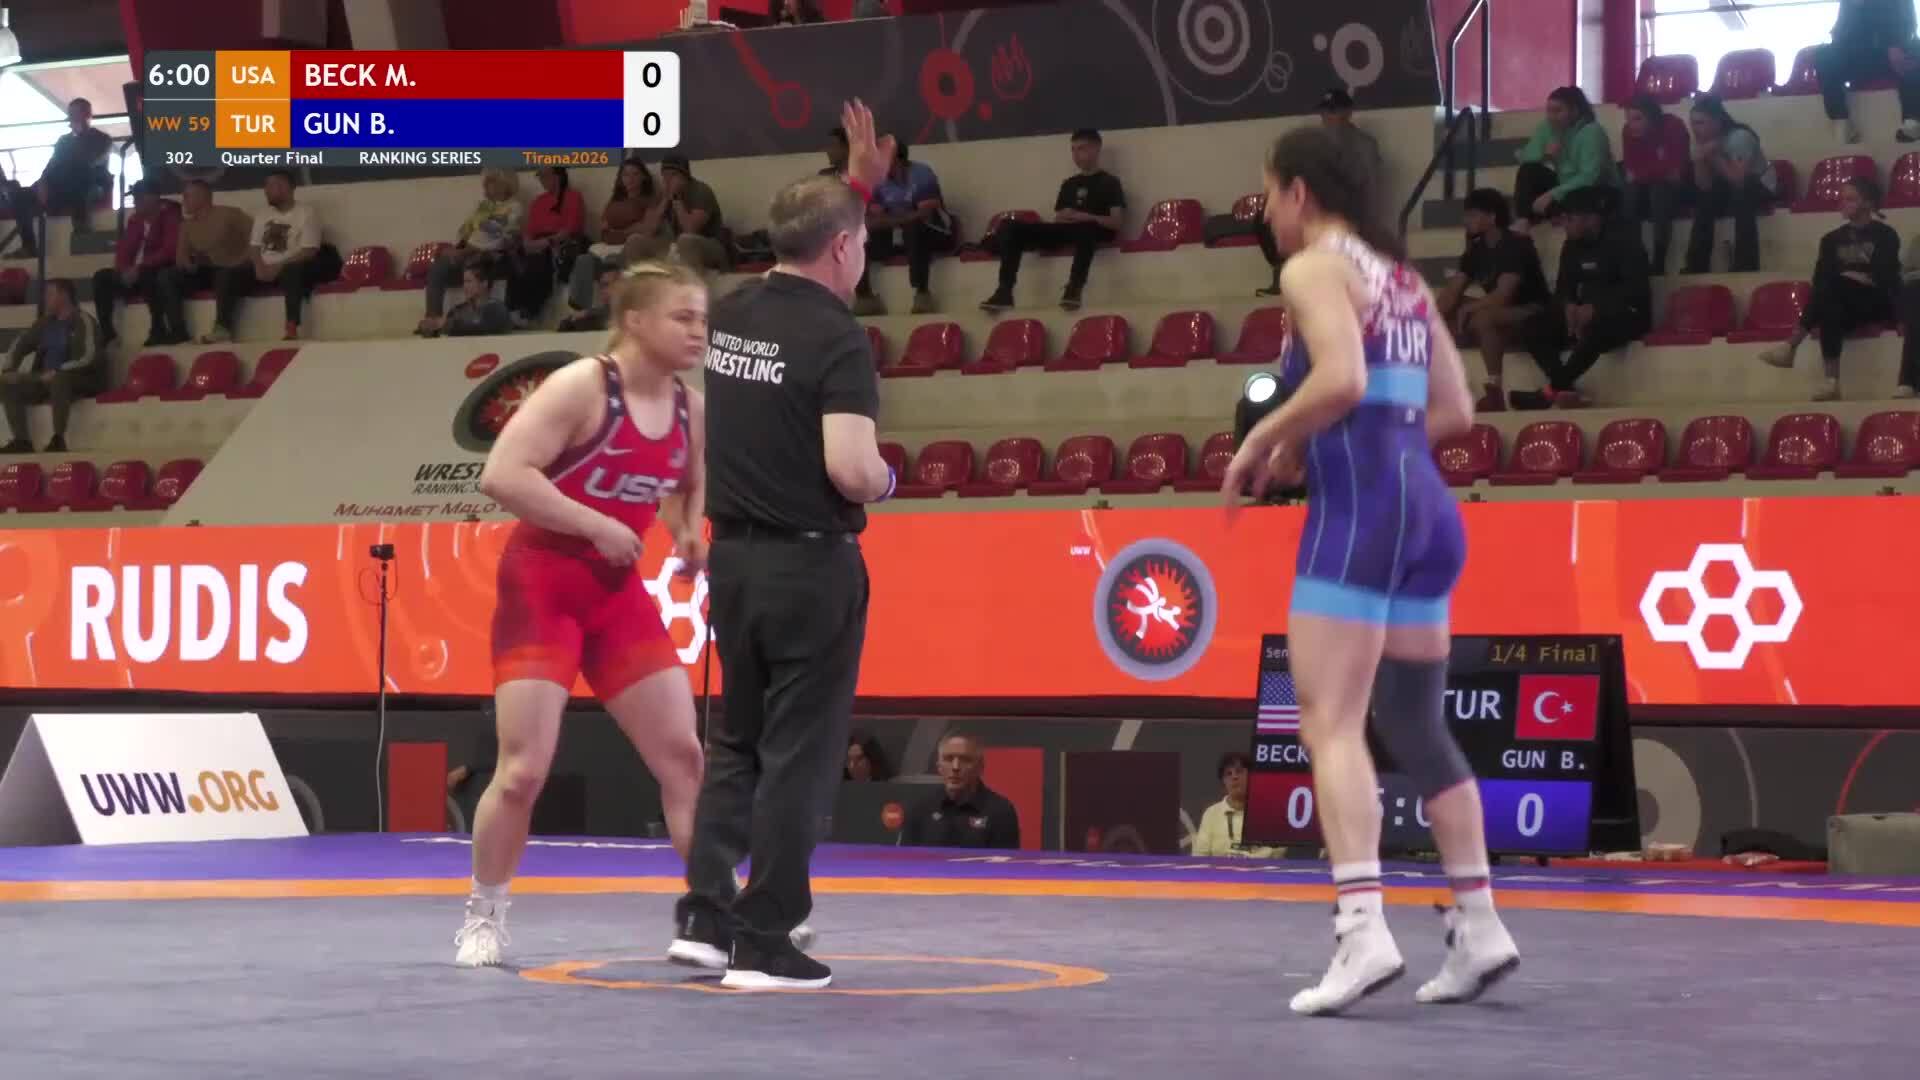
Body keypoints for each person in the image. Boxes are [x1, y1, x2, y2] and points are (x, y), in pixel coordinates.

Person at [1219, 125, 1520, 1017]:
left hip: (1362, 521)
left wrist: (1265, 439)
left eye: (1269, 192)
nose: (1265, 210)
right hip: (1427, 513)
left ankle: (1362, 931)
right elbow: (1456, 409)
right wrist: (1331, 447)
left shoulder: (1314, 268)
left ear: (1301, 192)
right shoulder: (1403, 279)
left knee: (1331, 723)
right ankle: (1479, 924)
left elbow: (1343, 379)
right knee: (1413, 723)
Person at [667, 100, 897, 992]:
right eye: (862, 241)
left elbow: (819, 229)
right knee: (799, 754)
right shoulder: (837, 336)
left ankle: (705, 916)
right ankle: (765, 937)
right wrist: (888, 479)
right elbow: (850, 468)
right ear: (842, 249)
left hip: (735, 561)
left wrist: (857, 189)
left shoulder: (730, 314)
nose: (865, 252)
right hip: (809, 563)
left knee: (739, 742)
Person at [452, 261, 714, 968]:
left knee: (684, 758)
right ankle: (485, 912)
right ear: (635, 320)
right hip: (543, 587)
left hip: (616, 593)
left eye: (702, 318)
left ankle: (717, 910)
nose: (699, 331)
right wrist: (595, 524)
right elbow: (502, 474)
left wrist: (686, 533)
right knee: (522, 772)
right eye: (683, 317)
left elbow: (684, 485)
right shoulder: (581, 386)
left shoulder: (690, 407)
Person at [1760, 177, 1900, 402]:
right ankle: (1831, 383)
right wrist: (1851, 277)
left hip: (1875, 302)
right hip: (1842, 303)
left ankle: (1792, 345)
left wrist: (1850, 277)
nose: (1843, 203)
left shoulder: (1886, 235)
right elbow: (1820, 279)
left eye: (1850, 199)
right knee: (1830, 303)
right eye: (1842, 199)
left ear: (1867, 203)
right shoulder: (1831, 239)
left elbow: (1885, 276)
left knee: (1833, 288)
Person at [1512, 186, 1652, 410]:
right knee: (1533, 327)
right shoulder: (1572, 243)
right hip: (1583, 312)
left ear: (1591, 219)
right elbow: (1563, 287)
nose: (1564, 225)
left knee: (1598, 328)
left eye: (1569, 219)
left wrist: (1596, 308)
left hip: (1626, 314)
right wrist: (1568, 306)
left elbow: (1636, 290)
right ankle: (1566, 388)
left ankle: (1550, 392)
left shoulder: (1624, 240)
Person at [980, 129, 1126, 313]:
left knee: (1086, 228)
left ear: (1096, 149)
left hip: (1093, 230)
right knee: (1010, 226)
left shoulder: (1110, 182)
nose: (1076, 155)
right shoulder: (1069, 184)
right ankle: (1004, 292)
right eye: (1073, 150)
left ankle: (1074, 289)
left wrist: (1085, 216)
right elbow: (1058, 218)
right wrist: (1066, 217)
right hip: (1068, 230)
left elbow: (1116, 222)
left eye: (1081, 149)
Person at [1433, 188, 1551, 413]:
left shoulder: (1516, 244)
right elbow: (1451, 293)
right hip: (1501, 310)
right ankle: (1443, 386)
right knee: (1447, 309)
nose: (1466, 220)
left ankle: (1494, 390)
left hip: (1532, 309)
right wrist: (1426, 322)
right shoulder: (1475, 250)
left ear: (1492, 217)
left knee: (1482, 317)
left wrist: (1469, 308)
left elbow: (1503, 295)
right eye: (1466, 215)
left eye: (1473, 215)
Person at [0, 279, 106, 454]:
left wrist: (59, 371)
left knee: (60, 379)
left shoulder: (84, 320)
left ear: (64, 295)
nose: (45, 299)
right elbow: (20, 344)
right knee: (7, 383)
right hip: (45, 378)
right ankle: (22, 441)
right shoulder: (44, 323)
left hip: (80, 378)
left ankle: (58, 438)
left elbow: (89, 357)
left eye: (50, 294)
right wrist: (8, 370)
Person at [851, 141, 953, 316]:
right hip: (900, 234)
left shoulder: (922, 174)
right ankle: (865, 298)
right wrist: (900, 219)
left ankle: (922, 294)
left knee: (914, 228)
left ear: (896, 158)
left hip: (937, 232)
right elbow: (872, 220)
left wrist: (892, 219)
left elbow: (925, 215)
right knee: (858, 234)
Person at [1682, 95, 1776, 275]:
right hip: (1729, 186)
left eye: (1700, 123)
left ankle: (1745, 265)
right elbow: (1704, 185)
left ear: (1717, 122)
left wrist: (1714, 155)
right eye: (1693, 123)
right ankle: (1695, 265)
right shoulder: (1699, 144)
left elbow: (1739, 179)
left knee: (1743, 194)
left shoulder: (1739, 137)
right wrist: (1700, 160)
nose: (1695, 128)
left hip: (1759, 185)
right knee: (1704, 201)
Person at [1511, 86, 1620, 232]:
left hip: (1596, 189)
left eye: (1557, 111)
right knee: (1529, 170)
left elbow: (1590, 177)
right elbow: (1527, 158)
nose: (1552, 116)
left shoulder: (1592, 132)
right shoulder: (1548, 127)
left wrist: (1552, 194)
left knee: (1578, 196)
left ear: (1574, 111)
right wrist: (1544, 155)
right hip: (1565, 185)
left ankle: (1557, 214)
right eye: (1549, 111)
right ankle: (1525, 219)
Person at [92, 180, 184, 346]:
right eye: (135, 197)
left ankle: (158, 328)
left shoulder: (171, 214)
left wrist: (139, 268)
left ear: (153, 198)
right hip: (136, 274)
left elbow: (170, 250)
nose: (135, 201)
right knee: (101, 277)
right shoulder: (135, 220)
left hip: (158, 270)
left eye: (139, 197)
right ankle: (108, 333)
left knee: (149, 272)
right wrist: (123, 271)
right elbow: (124, 250)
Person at [1815, 0, 1920, 145]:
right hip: (1862, 52)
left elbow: (1908, 21)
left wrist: (1894, 43)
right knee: (1824, 55)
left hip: (1895, 47)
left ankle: (1913, 119)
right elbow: (1842, 30)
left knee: (1915, 50)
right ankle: (1840, 119)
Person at [896, 733, 1021, 849]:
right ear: (939, 767)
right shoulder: (920, 808)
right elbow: (905, 861)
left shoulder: (1001, 812)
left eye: (965, 759)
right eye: (948, 759)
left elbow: (1004, 864)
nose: (955, 767)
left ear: (980, 767)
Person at [1619, 95, 1691, 275]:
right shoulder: (1628, 132)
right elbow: (1630, 170)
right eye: (1628, 119)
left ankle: (1659, 260)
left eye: (1637, 119)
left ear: (1652, 117)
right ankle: (1636, 256)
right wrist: (1655, 171)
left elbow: (1675, 171)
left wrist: (1644, 173)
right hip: (1644, 188)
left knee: (1658, 190)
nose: (1632, 125)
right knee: (1629, 192)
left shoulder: (1673, 126)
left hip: (1676, 189)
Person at [1190, 752, 1279, 858]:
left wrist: (1249, 860)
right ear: (1224, 782)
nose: (1234, 777)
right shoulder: (1211, 813)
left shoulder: (1268, 812)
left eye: (1239, 771)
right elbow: (1200, 855)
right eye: (1228, 774)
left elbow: (1277, 851)